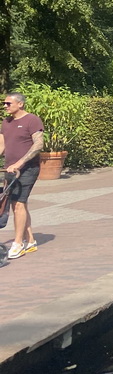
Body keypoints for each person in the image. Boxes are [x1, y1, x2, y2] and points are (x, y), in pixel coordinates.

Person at [0, 93, 44, 259]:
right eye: (4, 103)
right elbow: (2, 146)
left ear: (20, 104)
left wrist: (20, 162)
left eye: (8, 103)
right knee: (16, 205)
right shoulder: (6, 122)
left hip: (27, 169)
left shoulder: (32, 120)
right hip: (9, 169)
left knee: (18, 203)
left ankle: (18, 244)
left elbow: (38, 144)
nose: (5, 106)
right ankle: (30, 240)